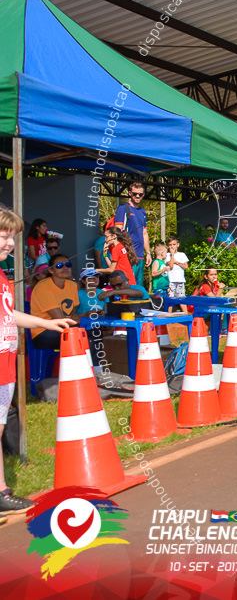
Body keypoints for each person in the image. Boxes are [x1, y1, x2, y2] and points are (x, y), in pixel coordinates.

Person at [0, 207, 73, 515]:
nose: (10, 244)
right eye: (4, 235)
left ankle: (2, 491)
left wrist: (47, 323)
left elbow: (8, 314)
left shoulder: (2, 275)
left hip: (4, 366)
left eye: (12, 238)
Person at [114, 181, 151, 286]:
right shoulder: (123, 208)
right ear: (130, 193)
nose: (138, 196)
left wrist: (148, 253)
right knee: (129, 285)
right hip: (129, 254)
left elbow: (144, 233)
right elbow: (117, 231)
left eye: (140, 194)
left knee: (138, 286)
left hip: (140, 255)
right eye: (135, 194)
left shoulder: (143, 212)